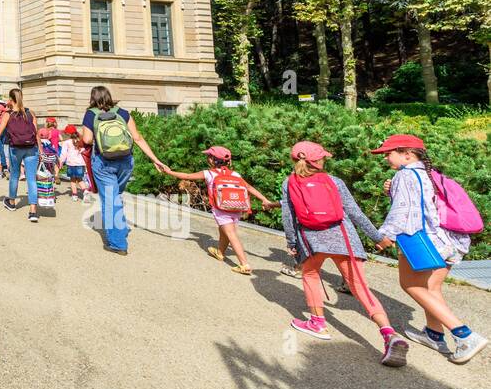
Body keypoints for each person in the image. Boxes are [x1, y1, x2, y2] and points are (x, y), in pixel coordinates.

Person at [282, 141, 407, 367]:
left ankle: (318, 323)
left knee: (310, 275)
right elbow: (355, 213)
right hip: (344, 237)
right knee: (360, 287)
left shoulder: (289, 183)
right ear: (318, 161)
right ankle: (389, 334)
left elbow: (289, 217)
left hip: (311, 240)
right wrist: (377, 237)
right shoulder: (334, 182)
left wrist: (292, 242)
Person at [371, 134, 487, 364]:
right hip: (451, 240)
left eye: (388, 153)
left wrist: (385, 235)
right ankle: (434, 335)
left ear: (407, 154)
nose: (385, 158)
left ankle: (465, 335)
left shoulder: (404, 175)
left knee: (411, 284)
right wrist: (392, 188)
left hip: (424, 241)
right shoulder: (427, 173)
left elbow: (404, 211)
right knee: (431, 288)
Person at [155, 145, 274, 275]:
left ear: (212, 160)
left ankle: (244, 264)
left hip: (222, 209)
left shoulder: (209, 173)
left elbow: (187, 176)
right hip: (236, 208)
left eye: (209, 157)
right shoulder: (235, 174)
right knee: (224, 231)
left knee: (231, 234)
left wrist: (169, 172)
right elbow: (249, 187)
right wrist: (264, 199)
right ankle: (220, 252)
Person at [78, 86, 167, 255]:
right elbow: (137, 137)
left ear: (92, 98)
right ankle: (121, 227)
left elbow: (87, 139)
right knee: (115, 196)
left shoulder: (91, 114)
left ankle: (118, 243)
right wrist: (156, 160)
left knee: (110, 200)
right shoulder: (123, 113)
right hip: (125, 161)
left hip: (104, 162)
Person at [0, 88, 42, 223]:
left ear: (11, 99)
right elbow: (36, 134)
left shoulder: (7, 114)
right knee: (31, 179)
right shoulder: (30, 113)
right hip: (31, 148)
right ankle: (33, 211)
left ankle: (11, 202)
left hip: (15, 148)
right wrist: (40, 150)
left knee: (15, 176)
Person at [58, 124, 87, 201]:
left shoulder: (67, 142)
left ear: (68, 134)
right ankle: (85, 190)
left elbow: (63, 154)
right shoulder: (81, 141)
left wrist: (61, 162)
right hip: (80, 163)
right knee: (80, 179)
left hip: (71, 163)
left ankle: (74, 195)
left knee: (73, 180)